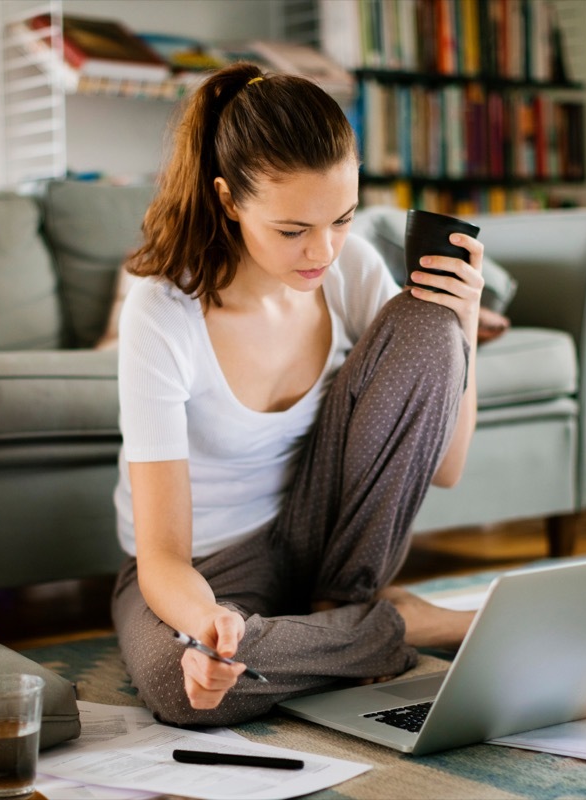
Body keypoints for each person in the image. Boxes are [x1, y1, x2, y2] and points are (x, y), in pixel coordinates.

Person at [111, 61, 485, 727]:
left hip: (326, 547)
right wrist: (211, 632)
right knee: (180, 687)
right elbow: (163, 559)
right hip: (208, 565)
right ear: (228, 200)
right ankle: (398, 627)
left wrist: (462, 330)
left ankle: (337, 617)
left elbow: (449, 468)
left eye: (341, 219)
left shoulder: (350, 270)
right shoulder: (161, 311)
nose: (324, 251)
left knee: (428, 315)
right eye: (293, 230)